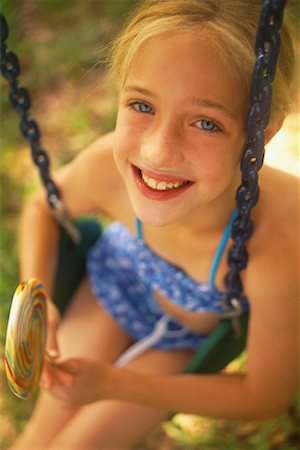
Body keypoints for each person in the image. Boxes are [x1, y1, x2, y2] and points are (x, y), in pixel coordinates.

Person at [11, 0, 298, 448]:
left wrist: (113, 384)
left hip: (178, 341)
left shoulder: (281, 246)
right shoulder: (106, 172)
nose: (158, 153)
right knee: (37, 437)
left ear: (261, 133)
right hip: (111, 287)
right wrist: (38, 291)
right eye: (142, 105)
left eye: (206, 122)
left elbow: (264, 396)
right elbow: (41, 208)